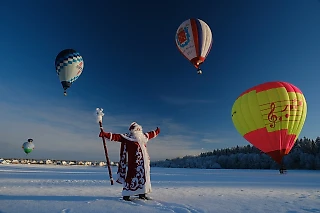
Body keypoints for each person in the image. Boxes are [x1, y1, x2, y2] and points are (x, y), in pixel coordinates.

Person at [99, 122, 160, 201]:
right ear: (132, 130)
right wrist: (105, 134)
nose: (138, 130)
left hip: (144, 164)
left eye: (139, 129)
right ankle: (126, 195)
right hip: (133, 163)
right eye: (136, 129)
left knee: (143, 178)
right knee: (131, 177)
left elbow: (151, 134)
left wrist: (157, 131)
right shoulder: (127, 137)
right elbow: (116, 136)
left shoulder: (143, 137)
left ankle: (142, 194)